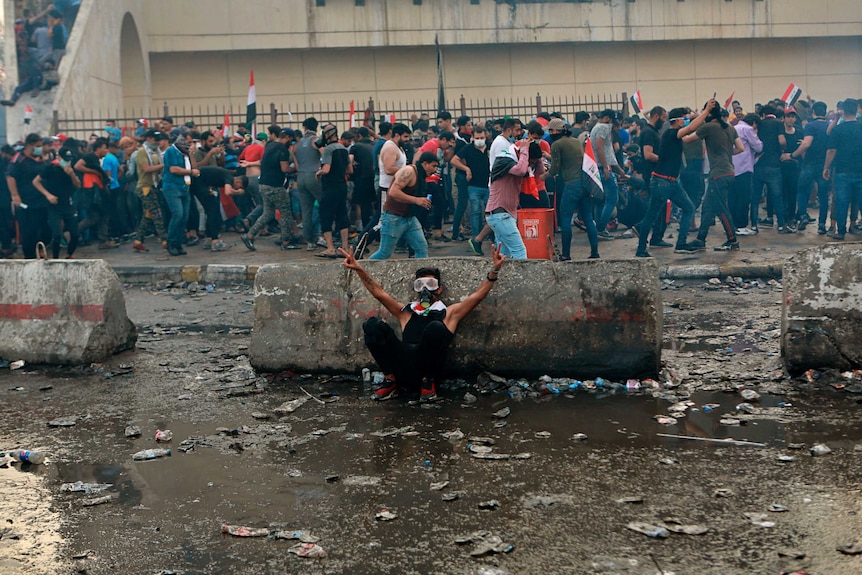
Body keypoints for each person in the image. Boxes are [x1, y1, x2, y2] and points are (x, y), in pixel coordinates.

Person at [339, 242, 506, 402]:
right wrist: (359, 269)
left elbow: (477, 297)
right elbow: (379, 293)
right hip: (403, 366)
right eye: (420, 284)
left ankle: (428, 383)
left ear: (439, 289)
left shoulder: (449, 313)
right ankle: (392, 381)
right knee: (372, 325)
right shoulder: (406, 312)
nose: (425, 289)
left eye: (430, 284)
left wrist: (495, 270)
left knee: (435, 327)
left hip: (428, 371)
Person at [635, 100, 715, 258]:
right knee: (651, 215)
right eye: (684, 118)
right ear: (677, 120)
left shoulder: (674, 136)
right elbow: (691, 128)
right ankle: (641, 249)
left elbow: (690, 135)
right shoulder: (671, 133)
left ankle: (681, 243)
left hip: (670, 182)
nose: (686, 121)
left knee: (689, 208)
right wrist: (706, 111)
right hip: (662, 182)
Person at [683, 100, 744, 251]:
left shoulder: (708, 127)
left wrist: (681, 128)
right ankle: (700, 239)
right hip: (728, 171)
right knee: (708, 207)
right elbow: (740, 148)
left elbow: (687, 139)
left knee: (720, 208)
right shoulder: (729, 128)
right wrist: (726, 155)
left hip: (718, 174)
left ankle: (732, 240)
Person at [367, 152, 438, 260]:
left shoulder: (420, 174)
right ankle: (361, 272)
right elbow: (393, 192)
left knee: (421, 248)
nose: (434, 170)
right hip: (394, 218)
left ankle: (423, 274)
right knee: (384, 253)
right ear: (425, 164)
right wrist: (416, 200)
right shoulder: (409, 171)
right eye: (433, 166)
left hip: (409, 218)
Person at [548, 118, 597, 260]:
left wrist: (543, 176)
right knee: (588, 218)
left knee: (565, 218)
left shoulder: (557, 144)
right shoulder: (576, 141)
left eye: (551, 130)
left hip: (571, 185)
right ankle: (595, 252)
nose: (550, 133)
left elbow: (554, 169)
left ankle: (566, 254)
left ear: (556, 131)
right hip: (584, 184)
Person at [241, 128, 296, 251]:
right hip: (275, 186)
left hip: (263, 184)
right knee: (285, 212)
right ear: (287, 137)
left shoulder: (269, 146)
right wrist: (296, 168)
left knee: (267, 213)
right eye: (291, 140)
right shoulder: (282, 149)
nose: (291, 143)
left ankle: (249, 235)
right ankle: (286, 241)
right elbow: (285, 169)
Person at [823, 99, 862, 241]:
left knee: (842, 202)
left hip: (842, 171)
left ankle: (840, 231)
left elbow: (831, 150)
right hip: (860, 170)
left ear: (843, 111)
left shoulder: (838, 130)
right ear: (856, 109)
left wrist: (826, 167)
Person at [7, 133, 50, 258]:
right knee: (29, 232)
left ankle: (41, 249)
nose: (40, 148)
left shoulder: (39, 159)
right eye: (38, 146)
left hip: (42, 200)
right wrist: (15, 195)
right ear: (29, 145)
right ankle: (29, 258)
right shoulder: (18, 159)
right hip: (26, 202)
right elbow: (10, 176)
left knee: (46, 230)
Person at [485, 142, 531, 259]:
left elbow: (539, 171)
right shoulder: (504, 162)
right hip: (501, 214)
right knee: (519, 251)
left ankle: (498, 276)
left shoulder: (513, 164)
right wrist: (525, 149)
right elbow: (521, 170)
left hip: (500, 215)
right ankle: (524, 277)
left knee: (503, 255)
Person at [451, 126, 491, 256]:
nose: (480, 140)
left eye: (482, 138)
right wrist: (466, 169)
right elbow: (454, 160)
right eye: (477, 138)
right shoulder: (468, 149)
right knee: (475, 211)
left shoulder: (490, 147)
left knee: (490, 212)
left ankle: (490, 236)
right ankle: (476, 237)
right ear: (473, 137)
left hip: (489, 185)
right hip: (474, 185)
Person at [33, 147, 79, 258]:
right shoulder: (50, 168)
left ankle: (70, 254)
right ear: (59, 158)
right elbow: (36, 181)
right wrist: (47, 194)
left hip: (68, 203)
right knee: (57, 234)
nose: (67, 162)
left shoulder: (71, 168)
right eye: (65, 159)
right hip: (54, 205)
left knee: (75, 233)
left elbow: (78, 185)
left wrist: (72, 174)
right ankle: (55, 258)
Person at [315, 126, 353, 258]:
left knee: (326, 215)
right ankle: (345, 247)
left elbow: (326, 169)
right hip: (342, 186)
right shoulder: (343, 148)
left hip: (330, 186)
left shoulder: (328, 150)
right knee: (342, 215)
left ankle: (330, 248)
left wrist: (318, 172)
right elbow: (350, 169)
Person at [794, 101, 830, 233]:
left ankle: (803, 215)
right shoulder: (830, 126)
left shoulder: (810, 126)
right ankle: (821, 225)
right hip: (825, 165)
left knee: (802, 191)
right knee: (823, 196)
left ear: (813, 112)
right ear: (825, 112)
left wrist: (793, 155)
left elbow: (806, 144)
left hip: (809, 164)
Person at [162, 133, 199, 256]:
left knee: (184, 217)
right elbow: (174, 169)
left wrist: (191, 154)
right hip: (173, 187)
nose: (188, 144)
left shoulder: (185, 153)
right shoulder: (171, 151)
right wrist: (190, 172)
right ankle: (171, 242)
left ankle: (178, 243)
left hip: (184, 187)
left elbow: (195, 168)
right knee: (178, 214)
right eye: (186, 141)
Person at [132, 130, 167, 252]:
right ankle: (165, 240)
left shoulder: (155, 152)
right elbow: (146, 169)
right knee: (157, 213)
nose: (157, 142)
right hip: (145, 187)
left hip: (153, 186)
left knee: (148, 215)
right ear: (148, 139)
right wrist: (163, 166)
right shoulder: (142, 152)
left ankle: (138, 240)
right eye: (154, 139)